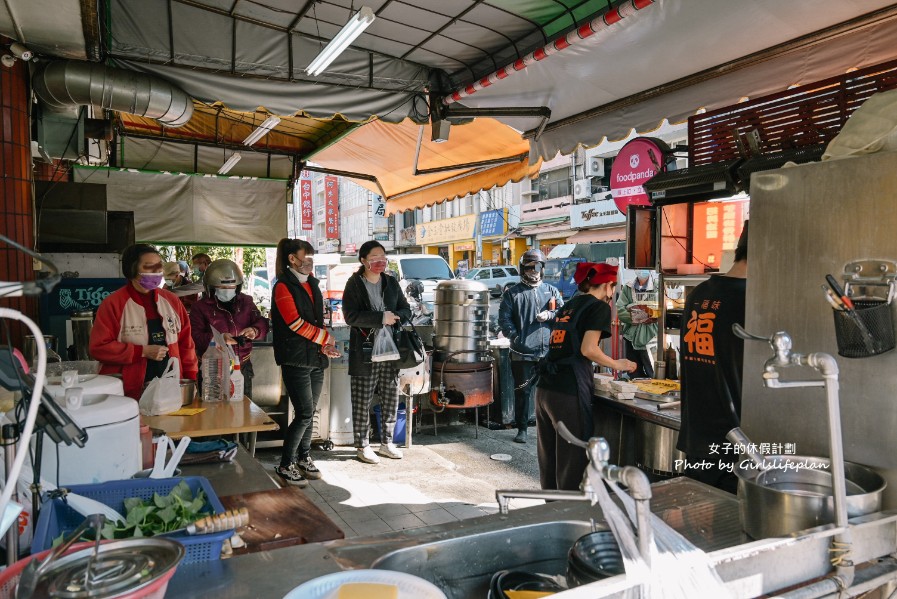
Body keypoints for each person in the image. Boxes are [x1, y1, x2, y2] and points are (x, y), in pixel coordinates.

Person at [534, 262, 637, 491]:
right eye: (613, 287)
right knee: (573, 460)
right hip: (568, 393)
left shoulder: (569, 305)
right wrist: (616, 364)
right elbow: (588, 349)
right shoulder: (598, 307)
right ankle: (570, 521)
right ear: (608, 286)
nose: (612, 294)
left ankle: (550, 514)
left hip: (545, 390)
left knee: (549, 459)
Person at [676, 221, 749, 494]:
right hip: (735, 443)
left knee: (697, 525)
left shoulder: (699, 293)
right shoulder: (750, 299)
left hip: (697, 438)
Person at [270, 239, 340, 486]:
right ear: (292, 259)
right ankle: (285, 464)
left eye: (312, 257)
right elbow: (294, 324)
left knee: (310, 412)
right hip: (295, 358)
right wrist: (325, 337)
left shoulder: (312, 284)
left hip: (316, 357)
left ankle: (304, 457)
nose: (310, 261)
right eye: (306, 256)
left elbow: (315, 323)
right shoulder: (282, 286)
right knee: (304, 412)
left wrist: (325, 346)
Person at [89, 244, 198, 400]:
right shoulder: (113, 304)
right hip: (127, 394)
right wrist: (141, 351)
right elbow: (98, 348)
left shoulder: (171, 301)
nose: (157, 273)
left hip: (171, 391)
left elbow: (186, 344)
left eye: (159, 267)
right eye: (149, 267)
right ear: (132, 270)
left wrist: (191, 378)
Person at [342, 240, 412, 464]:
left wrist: (394, 316)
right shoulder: (354, 284)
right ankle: (362, 445)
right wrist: (381, 318)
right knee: (362, 399)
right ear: (363, 261)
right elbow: (350, 316)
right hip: (365, 351)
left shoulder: (391, 282)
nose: (380, 262)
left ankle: (387, 443)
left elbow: (406, 309)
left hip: (391, 348)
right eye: (374, 259)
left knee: (391, 395)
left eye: (383, 257)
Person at [498, 249, 564, 444]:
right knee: (523, 392)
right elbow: (504, 320)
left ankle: (552, 426)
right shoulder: (512, 294)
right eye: (529, 267)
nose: (534, 271)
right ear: (523, 269)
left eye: (538, 267)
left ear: (542, 269)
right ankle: (522, 428)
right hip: (522, 352)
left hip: (548, 352)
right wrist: (515, 337)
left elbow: (562, 312)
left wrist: (550, 315)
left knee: (552, 391)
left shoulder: (551, 291)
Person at [190, 259, 269, 400]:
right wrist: (219, 339)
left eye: (232, 287)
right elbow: (195, 337)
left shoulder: (246, 302)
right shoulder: (200, 308)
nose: (227, 291)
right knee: (213, 410)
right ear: (211, 288)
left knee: (243, 409)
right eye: (222, 288)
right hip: (213, 368)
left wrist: (254, 330)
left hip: (242, 365)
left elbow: (262, 322)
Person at [615, 270, 658, 379]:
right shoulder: (628, 288)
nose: (642, 270)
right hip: (631, 337)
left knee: (653, 373)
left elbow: (659, 310)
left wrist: (632, 307)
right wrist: (643, 314)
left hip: (652, 337)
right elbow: (620, 311)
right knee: (633, 374)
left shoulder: (658, 286)